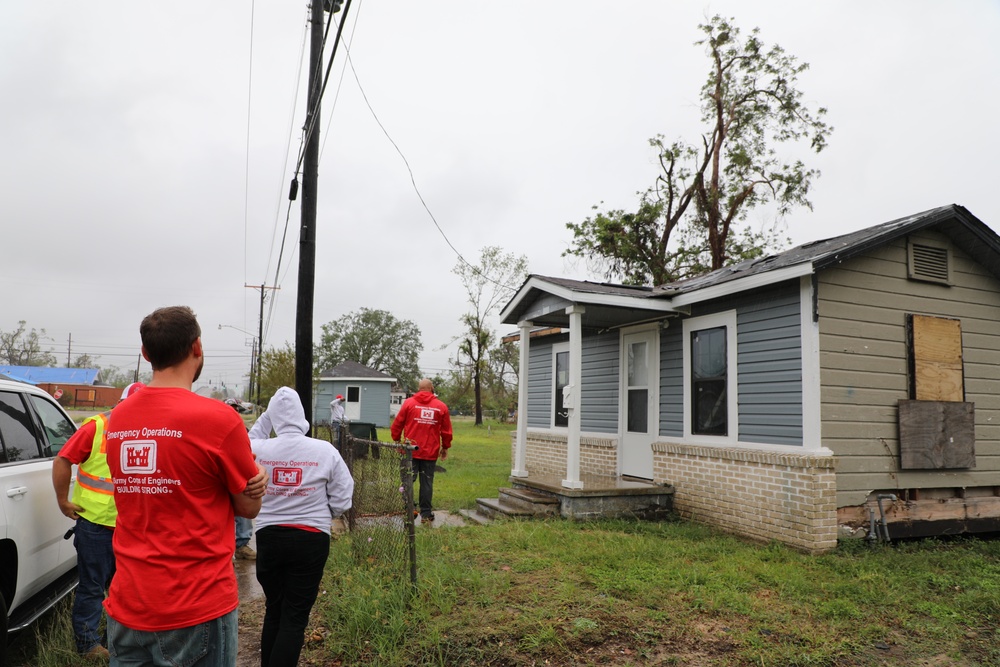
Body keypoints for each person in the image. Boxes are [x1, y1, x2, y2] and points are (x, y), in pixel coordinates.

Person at [102, 306, 268, 667]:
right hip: (196, 607)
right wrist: (257, 476)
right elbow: (247, 508)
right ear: (197, 348)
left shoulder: (119, 418)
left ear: (146, 354)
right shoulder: (219, 419)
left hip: (128, 602)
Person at [248, 386, 354, 667]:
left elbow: (247, 441)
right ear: (303, 416)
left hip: (269, 537)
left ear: (273, 416)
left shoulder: (260, 449)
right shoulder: (324, 450)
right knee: (294, 616)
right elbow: (344, 494)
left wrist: (269, 417)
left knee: (274, 609)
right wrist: (323, 513)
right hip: (311, 538)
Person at [52, 381, 145, 660]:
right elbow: (63, 460)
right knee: (92, 588)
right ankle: (88, 647)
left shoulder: (150, 431)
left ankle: (115, 643)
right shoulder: (97, 427)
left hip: (132, 528)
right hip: (96, 527)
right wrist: (62, 501)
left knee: (126, 591)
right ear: (120, 403)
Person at [391, 378, 452, 523]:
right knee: (427, 483)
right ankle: (426, 514)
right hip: (430, 452)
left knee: (407, 480)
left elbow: (397, 424)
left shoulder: (409, 403)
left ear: (419, 389)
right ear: (431, 388)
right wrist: (445, 447)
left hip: (409, 450)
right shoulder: (441, 406)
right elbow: (446, 431)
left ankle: (409, 509)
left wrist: (396, 439)